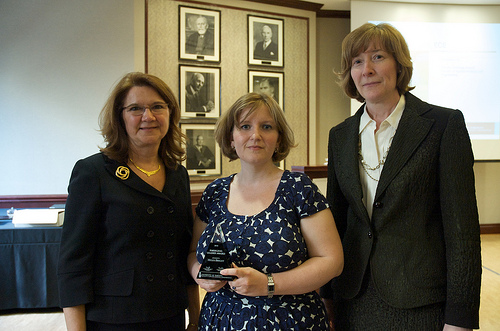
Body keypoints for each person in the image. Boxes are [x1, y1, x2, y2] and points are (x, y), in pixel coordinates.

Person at [320, 23, 482, 330]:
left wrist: (460, 318)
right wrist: (327, 297)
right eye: (356, 62)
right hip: (353, 300)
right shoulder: (340, 136)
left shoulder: (442, 125)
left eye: (378, 57)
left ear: (399, 65)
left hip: (421, 303)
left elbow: (462, 232)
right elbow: (337, 222)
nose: (366, 69)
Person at [187, 92, 344, 330]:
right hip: (219, 320)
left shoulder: (298, 189)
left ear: (279, 138)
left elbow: (332, 261)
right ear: (231, 138)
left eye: (267, 127)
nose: (255, 135)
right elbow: (192, 253)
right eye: (245, 126)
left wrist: (269, 284)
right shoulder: (215, 193)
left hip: (290, 322)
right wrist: (200, 273)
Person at [57, 72, 200, 330]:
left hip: (170, 313)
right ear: (120, 117)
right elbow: (73, 264)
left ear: (170, 113)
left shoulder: (178, 174)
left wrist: (195, 315)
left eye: (158, 106)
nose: (149, 116)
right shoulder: (93, 172)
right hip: (114, 317)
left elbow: (184, 250)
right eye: (136, 108)